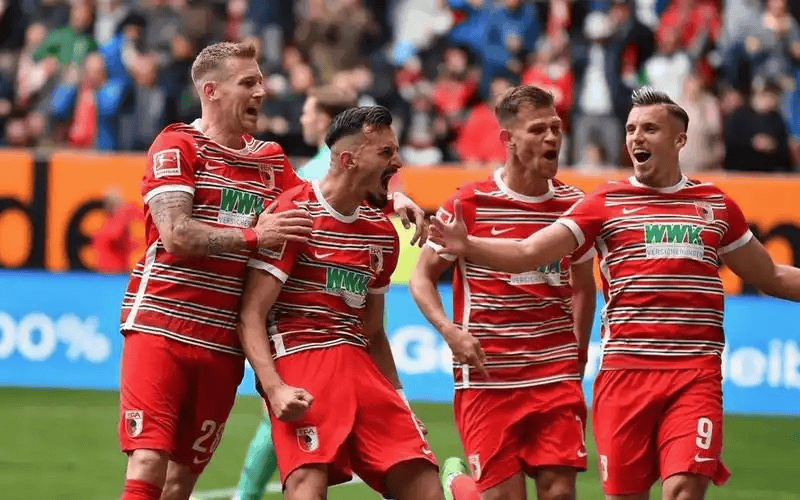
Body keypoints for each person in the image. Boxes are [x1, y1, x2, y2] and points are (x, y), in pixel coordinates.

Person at [428, 87, 800, 500]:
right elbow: (527, 253)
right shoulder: (604, 202)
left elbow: (771, 275)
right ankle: (462, 489)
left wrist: (574, 355)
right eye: (631, 129)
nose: (637, 137)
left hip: (695, 374)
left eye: (650, 129)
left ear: (679, 139)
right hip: (623, 377)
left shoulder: (714, 205)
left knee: (681, 490)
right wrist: (468, 246)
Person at [117, 42, 427, 500]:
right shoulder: (177, 144)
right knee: (147, 463)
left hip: (223, 342)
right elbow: (176, 234)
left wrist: (390, 198)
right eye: (248, 83)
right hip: (162, 325)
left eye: (261, 81)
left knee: (181, 481)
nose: (261, 91)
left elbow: (326, 197)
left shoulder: (270, 160)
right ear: (211, 91)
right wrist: (253, 237)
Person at [238, 105, 444, 500]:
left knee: (426, 488)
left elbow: (373, 332)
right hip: (302, 358)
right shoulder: (293, 215)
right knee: (307, 489)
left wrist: (401, 401)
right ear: (348, 160)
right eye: (386, 152)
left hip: (359, 364)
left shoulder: (381, 234)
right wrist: (274, 388)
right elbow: (251, 313)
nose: (398, 161)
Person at [410, 85, 596, 500]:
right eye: (538, 130)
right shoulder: (468, 202)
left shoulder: (575, 205)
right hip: (488, 376)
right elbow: (421, 278)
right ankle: (458, 484)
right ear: (507, 139)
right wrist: (450, 332)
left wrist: (578, 355)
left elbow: (584, 287)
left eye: (556, 127)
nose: (552, 137)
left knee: (560, 493)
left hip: (554, 374)